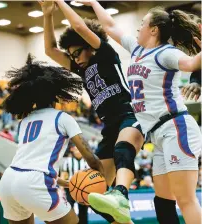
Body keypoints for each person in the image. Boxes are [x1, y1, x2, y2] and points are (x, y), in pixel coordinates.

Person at [77, 1, 202, 224]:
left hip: (176, 127)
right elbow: (110, 26)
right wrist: (93, 3)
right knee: (163, 202)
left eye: (142, 23)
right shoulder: (136, 50)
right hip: (158, 134)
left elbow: (191, 63)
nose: (138, 28)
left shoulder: (166, 53)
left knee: (185, 199)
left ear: (153, 29)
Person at [39, 1, 144, 223]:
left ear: (89, 46)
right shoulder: (80, 68)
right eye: (72, 55)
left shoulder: (105, 54)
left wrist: (60, 2)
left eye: (77, 52)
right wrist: (47, 15)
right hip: (108, 126)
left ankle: (122, 196)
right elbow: (49, 50)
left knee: (122, 150)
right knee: (91, 194)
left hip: (129, 115)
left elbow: (78, 27)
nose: (75, 58)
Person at [0, 54, 104, 224]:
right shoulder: (62, 118)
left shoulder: (25, 120)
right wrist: (105, 180)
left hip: (9, 181)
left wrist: (68, 183)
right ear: (56, 95)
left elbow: (30, 165)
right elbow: (91, 159)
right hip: (35, 183)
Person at [60, 143, 89, 224]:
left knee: (83, 210)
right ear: (72, 150)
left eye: (79, 149)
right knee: (69, 209)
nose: (78, 151)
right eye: (76, 149)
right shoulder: (68, 161)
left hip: (83, 189)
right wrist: (61, 188)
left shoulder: (86, 161)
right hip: (70, 188)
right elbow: (64, 174)